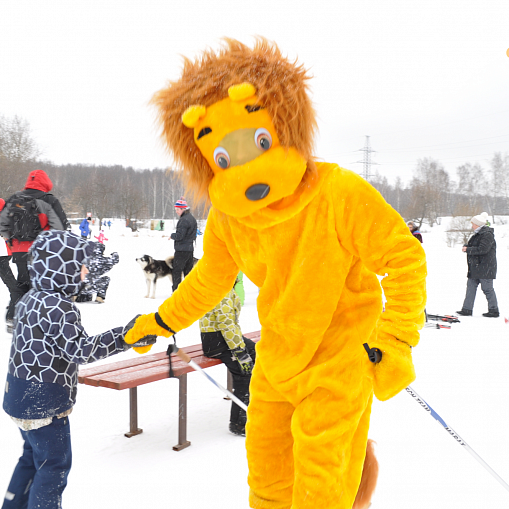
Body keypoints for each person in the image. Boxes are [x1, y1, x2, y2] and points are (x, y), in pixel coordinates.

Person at [125, 40, 426, 509]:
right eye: (223, 158)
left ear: (284, 124)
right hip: (277, 363)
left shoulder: (338, 193)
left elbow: (405, 259)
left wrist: (396, 338)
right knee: (266, 481)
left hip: (339, 360)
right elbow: (209, 279)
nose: (248, 170)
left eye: (259, 141)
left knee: (321, 490)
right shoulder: (232, 219)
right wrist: (159, 321)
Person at [1, 230, 154, 509]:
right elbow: (81, 350)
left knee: (31, 457)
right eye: (81, 266)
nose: (85, 273)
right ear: (63, 267)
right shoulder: (60, 307)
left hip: (19, 397)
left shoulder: (30, 299)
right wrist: (125, 336)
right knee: (53, 467)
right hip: (44, 403)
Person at [0, 170, 69, 331]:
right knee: (43, 285)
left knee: (23, 281)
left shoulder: (15, 199)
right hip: (42, 250)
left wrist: (11, 242)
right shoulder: (49, 200)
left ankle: (13, 316)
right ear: (45, 183)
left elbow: (2, 223)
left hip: (19, 250)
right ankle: (39, 321)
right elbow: (61, 227)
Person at [200, 283, 255, 436]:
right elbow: (226, 323)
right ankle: (238, 423)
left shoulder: (225, 287)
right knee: (244, 373)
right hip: (218, 340)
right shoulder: (221, 289)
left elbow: (229, 325)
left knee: (256, 352)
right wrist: (239, 350)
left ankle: (256, 404)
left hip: (222, 337)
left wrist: (243, 346)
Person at [456, 212, 498, 317]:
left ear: (478, 224)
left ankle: (494, 311)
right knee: (470, 288)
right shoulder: (477, 234)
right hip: (475, 267)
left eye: (473, 224)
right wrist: (467, 246)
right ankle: (467, 309)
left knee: (487, 289)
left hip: (485, 267)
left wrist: (468, 249)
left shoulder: (487, 234)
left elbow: (483, 249)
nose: (472, 226)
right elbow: (474, 245)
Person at [0, 199, 24, 331]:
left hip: (4, 257)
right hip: (1, 258)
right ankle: (11, 317)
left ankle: (12, 314)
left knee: (15, 289)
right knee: (15, 289)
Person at [169, 197, 197, 292]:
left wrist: (172, 235)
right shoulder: (191, 218)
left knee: (177, 271)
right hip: (189, 249)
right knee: (188, 272)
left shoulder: (184, 220)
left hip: (181, 250)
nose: (176, 211)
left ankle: (176, 292)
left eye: (177, 209)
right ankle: (190, 292)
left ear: (183, 209)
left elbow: (180, 236)